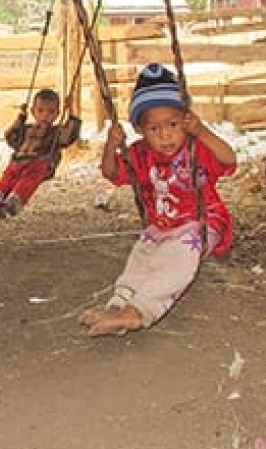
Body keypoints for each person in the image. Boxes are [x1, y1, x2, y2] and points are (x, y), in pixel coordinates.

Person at [79, 62, 236, 337]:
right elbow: (111, 172)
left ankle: (141, 310)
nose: (165, 135)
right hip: (162, 226)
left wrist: (202, 132)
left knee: (179, 258)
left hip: (203, 222)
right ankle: (119, 304)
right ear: (140, 130)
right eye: (154, 129)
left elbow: (229, 159)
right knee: (142, 257)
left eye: (173, 125)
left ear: (186, 122)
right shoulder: (141, 154)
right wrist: (111, 146)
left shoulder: (196, 146)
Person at [0, 88, 81, 217]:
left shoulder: (55, 132)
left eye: (51, 112)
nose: (45, 115)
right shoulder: (26, 129)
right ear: (33, 112)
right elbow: (11, 137)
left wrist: (71, 113)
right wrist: (21, 118)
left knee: (29, 179)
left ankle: (15, 200)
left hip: (40, 162)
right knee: (8, 176)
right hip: (18, 161)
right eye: (40, 110)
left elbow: (69, 137)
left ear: (57, 114)